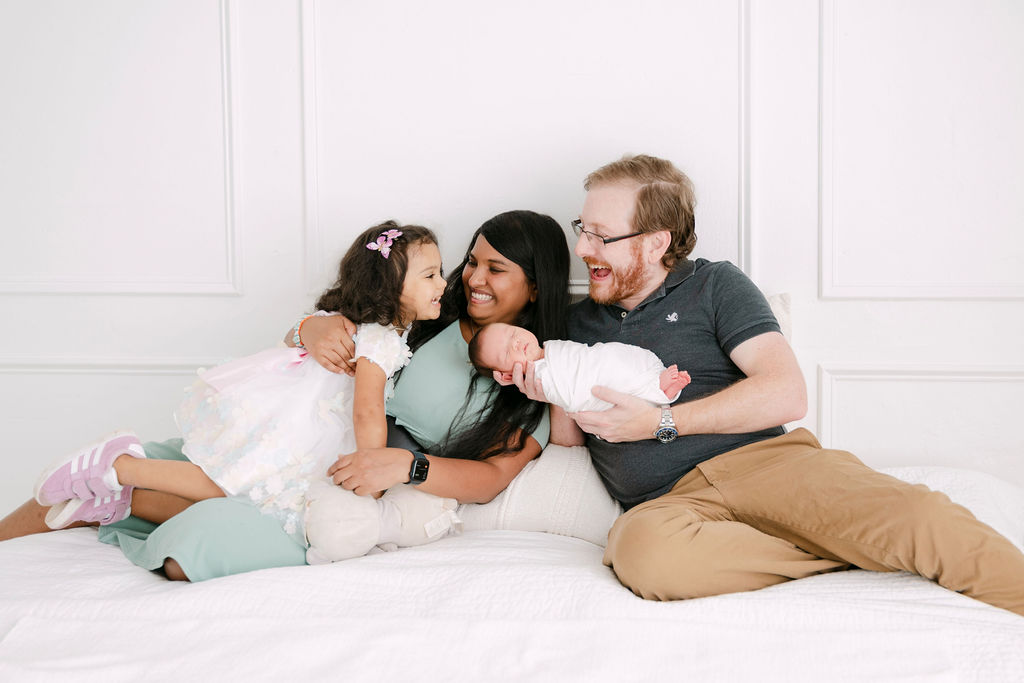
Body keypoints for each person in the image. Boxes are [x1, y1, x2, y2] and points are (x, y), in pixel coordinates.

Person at [517, 154, 1024, 616]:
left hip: (770, 469)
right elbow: (570, 444)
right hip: (672, 507)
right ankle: (836, 549)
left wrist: (660, 422)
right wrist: (551, 388)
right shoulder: (572, 328)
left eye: (601, 236)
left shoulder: (715, 286)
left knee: (919, 517)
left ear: (656, 242)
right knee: (642, 556)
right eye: (582, 228)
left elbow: (786, 392)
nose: (582, 248)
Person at [0, 209, 570, 582]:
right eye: (471, 262)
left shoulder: (530, 380)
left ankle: (117, 497)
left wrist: (406, 466)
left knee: (187, 551)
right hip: (294, 441)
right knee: (148, 461)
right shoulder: (428, 310)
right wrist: (308, 329)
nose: (472, 279)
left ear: (536, 284)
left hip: (343, 483)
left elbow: (492, 477)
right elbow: (348, 322)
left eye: (496, 270)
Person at [31, 222, 456, 561]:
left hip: (300, 423)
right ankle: (119, 465)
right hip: (297, 427)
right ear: (391, 285)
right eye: (430, 275)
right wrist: (373, 473)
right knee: (226, 484)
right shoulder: (381, 337)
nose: (442, 282)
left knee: (251, 499)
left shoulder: (369, 326)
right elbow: (366, 411)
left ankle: (121, 501)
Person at [467, 321, 690, 412]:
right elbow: (572, 396)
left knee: (619, 357)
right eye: (508, 351)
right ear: (506, 376)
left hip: (599, 358)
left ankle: (658, 382)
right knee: (616, 381)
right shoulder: (541, 377)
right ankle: (660, 389)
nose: (516, 342)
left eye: (512, 332)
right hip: (594, 382)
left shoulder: (549, 346)